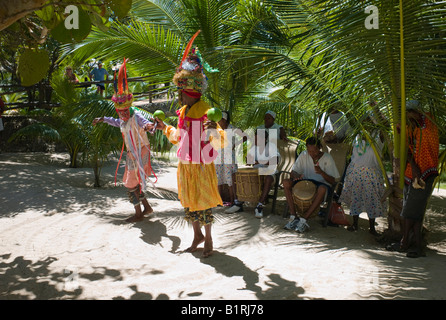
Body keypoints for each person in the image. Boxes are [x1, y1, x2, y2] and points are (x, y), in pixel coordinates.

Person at [150, 35, 226, 258]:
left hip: (201, 164)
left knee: (203, 202)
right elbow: (179, 137)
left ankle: (209, 238)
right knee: (190, 202)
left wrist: (214, 128)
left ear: (190, 93)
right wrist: (165, 127)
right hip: (185, 164)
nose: (179, 96)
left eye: (181, 93)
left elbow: (220, 141)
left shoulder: (205, 111)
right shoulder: (183, 112)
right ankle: (197, 236)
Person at [92, 58, 155, 223]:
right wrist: (102, 119)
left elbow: (145, 123)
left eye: (124, 112)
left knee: (130, 183)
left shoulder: (136, 115)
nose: (122, 115)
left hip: (140, 151)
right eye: (120, 113)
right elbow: (115, 122)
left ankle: (139, 213)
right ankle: (145, 208)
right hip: (132, 153)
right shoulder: (122, 118)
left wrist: (149, 126)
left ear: (128, 108)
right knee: (134, 182)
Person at [387, 100, 439, 258]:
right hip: (411, 174)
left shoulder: (428, 125)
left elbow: (424, 144)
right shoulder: (411, 126)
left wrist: (417, 169)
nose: (407, 118)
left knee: (411, 212)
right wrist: (413, 166)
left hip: (425, 174)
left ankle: (409, 244)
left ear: (416, 112)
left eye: (409, 114)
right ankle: (412, 244)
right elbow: (409, 148)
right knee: (411, 212)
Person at [283, 137, 340, 232]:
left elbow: (333, 181)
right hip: (305, 181)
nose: (312, 154)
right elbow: (293, 172)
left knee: (322, 189)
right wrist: (296, 175)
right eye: (309, 151)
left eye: (314, 151)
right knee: (286, 182)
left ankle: (304, 219)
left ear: (320, 148)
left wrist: (321, 172)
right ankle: (293, 216)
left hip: (321, 184)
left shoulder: (327, 158)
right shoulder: (304, 155)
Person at [339, 127, 386, 235]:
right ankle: (355, 224)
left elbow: (385, 126)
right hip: (356, 171)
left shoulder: (378, 136)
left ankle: (372, 228)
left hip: (371, 173)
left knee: (372, 199)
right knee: (356, 197)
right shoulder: (357, 135)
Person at [225, 130, 281, 218]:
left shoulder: (272, 146)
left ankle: (259, 205)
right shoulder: (254, 147)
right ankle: (237, 203)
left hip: (269, 171)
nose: (255, 140)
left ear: (264, 139)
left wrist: (258, 161)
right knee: (234, 175)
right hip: (256, 171)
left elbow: (275, 160)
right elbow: (248, 161)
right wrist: (249, 159)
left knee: (269, 178)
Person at [215, 111, 239, 206]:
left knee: (230, 179)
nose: (218, 122)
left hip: (229, 157)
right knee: (218, 177)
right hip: (218, 156)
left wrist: (235, 145)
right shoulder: (217, 129)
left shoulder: (232, 128)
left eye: (219, 120)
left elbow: (245, 136)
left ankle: (233, 200)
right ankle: (219, 200)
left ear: (224, 119)